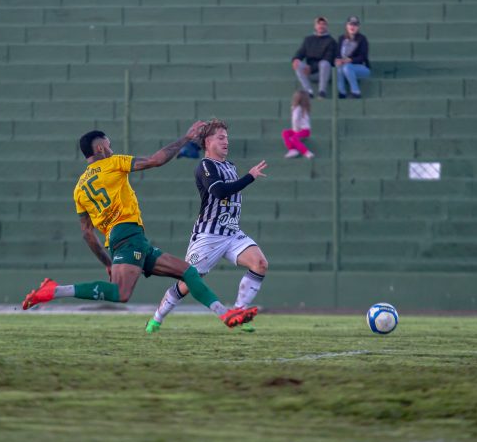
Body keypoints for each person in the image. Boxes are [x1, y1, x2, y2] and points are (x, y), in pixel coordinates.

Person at [22, 123, 258, 330]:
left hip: (127, 240)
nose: (112, 149)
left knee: (188, 272)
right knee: (120, 294)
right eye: (109, 145)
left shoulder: (79, 188)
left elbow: (87, 234)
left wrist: (107, 262)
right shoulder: (113, 163)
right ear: (101, 149)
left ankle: (226, 314)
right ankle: (55, 290)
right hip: (127, 235)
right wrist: (186, 139)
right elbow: (156, 160)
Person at [145, 119, 269, 333]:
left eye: (227, 138)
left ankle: (239, 312)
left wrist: (245, 177)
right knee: (188, 282)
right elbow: (219, 191)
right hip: (208, 236)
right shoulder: (205, 166)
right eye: (221, 138)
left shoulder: (230, 166)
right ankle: (156, 318)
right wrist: (250, 177)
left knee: (260, 263)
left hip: (231, 232)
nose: (226, 142)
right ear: (207, 141)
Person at [291, 16, 336, 99]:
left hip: (326, 73)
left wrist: (311, 68)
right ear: (315, 26)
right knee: (298, 64)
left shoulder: (331, 41)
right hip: (310, 72)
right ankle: (309, 92)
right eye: (319, 24)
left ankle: (322, 92)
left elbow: (328, 59)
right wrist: (295, 59)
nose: (321, 26)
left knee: (324, 63)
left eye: (324, 24)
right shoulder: (308, 39)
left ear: (327, 26)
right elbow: (301, 52)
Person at [335, 15, 370, 99]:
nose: (352, 27)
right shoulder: (341, 38)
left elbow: (363, 57)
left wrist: (350, 60)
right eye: (350, 24)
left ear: (358, 27)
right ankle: (342, 92)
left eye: (355, 25)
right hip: (343, 67)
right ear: (346, 26)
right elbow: (338, 54)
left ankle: (356, 91)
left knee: (346, 67)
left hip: (361, 67)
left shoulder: (362, 39)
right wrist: (338, 60)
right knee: (340, 67)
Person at [282, 91, 313, 159]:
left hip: (303, 130)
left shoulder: (298, 108)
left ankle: (306, 152)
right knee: (285, 133)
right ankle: (292, 150)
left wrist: (296, 130)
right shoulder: (303, 108)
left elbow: (295, 120)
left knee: (293, 138)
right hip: (300, 130)